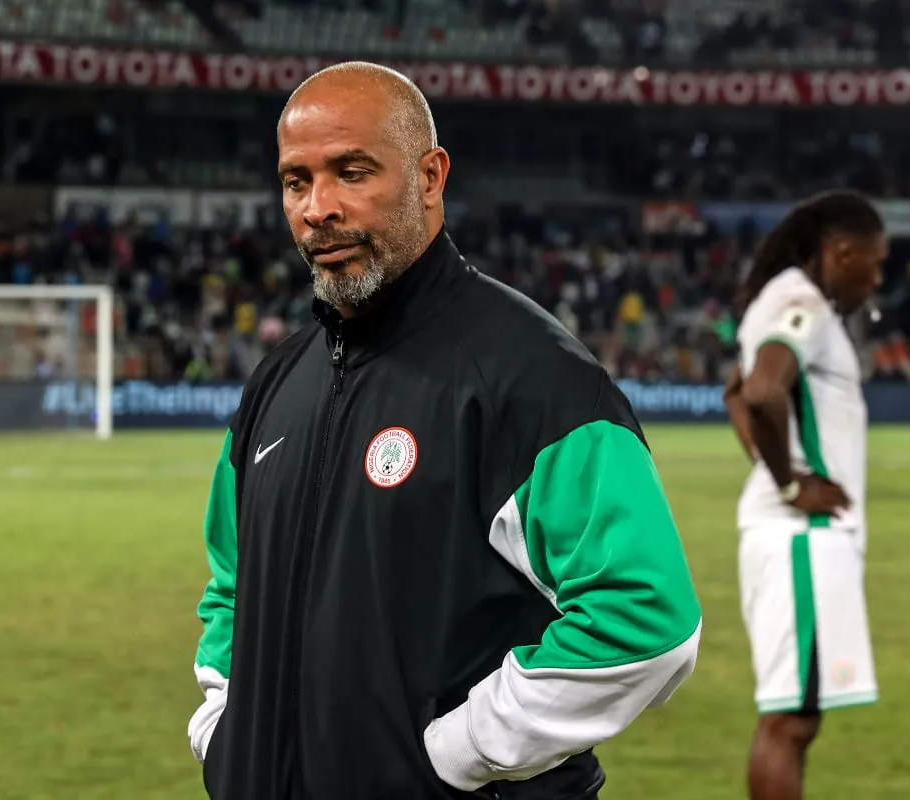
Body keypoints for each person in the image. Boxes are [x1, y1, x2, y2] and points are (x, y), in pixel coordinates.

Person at [184, 62, 703, 800]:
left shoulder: (535, 378)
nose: (318, 208)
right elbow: (233, 585)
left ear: (430, 177)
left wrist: (453, 755)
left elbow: (646, 618)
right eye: (297, 182)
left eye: (352, 172)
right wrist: (224, 726)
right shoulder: (276, 383)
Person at [723, 190, 887, 800]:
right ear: (841, 253)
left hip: (794, 538)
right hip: (804, 538)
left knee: (797, 715)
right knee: (789, 721)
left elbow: (736, 391)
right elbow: (762, 391)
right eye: (875, 262)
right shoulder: (802, 304)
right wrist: (791, 484)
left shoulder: (784, 300)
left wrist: (776, 471)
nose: (877, 278)